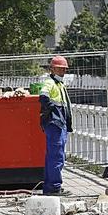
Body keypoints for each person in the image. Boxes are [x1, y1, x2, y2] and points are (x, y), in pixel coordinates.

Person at [39, 55, 74, 196]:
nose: (63, 72)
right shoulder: (50, 83)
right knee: (56, 156)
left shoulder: (59, 84)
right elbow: (43, 96)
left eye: (64, 69)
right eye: (60, 69)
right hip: (55, 124)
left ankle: (50, 187)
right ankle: (54, 187)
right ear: (52, 69)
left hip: (59, 123)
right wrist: (53, 111)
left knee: (53, 155)